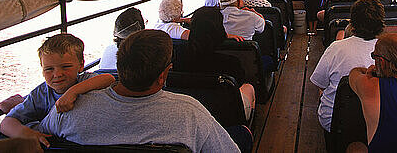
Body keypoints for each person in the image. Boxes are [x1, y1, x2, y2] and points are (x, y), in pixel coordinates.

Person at [36, 30, 242, 152]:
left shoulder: (68, 108)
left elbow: (38, 134)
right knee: (241, 134)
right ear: (163, 75)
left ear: (119, 66)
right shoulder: (190, 112)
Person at [0, 34, 115, 148]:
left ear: (80, 65)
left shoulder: (85, 80)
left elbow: (108, 79)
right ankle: (16, 104)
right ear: (42, 69)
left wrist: (72, 92)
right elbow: (6, 123)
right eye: (49, 69)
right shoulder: (40, 94)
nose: (57, 74)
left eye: (66, 67)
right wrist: (28, 135)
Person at [310, 0, 384, 140]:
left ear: (352, 22)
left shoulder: (337, 48)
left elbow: (319, 83)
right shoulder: (388, 51)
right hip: (377, 120)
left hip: (335, 121)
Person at [172, 6, 255, 122]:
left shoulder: (178, 58)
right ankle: (245, 128)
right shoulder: (231, 62)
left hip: (189, 113)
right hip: (224, 115)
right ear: (220, 28)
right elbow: (239, 83)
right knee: (249, 87)